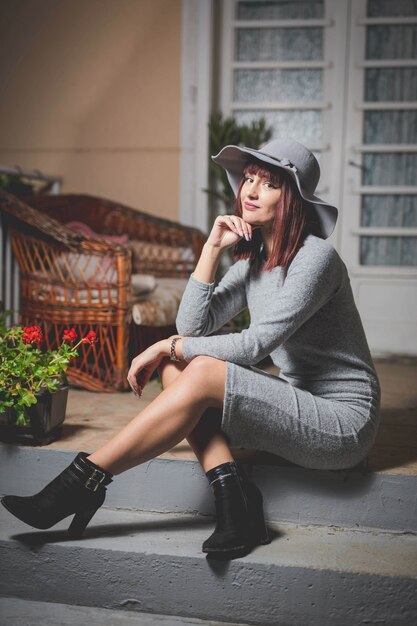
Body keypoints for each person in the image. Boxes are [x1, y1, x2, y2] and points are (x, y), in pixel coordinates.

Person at [1, 137, 381, 559]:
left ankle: (84, 479)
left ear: (292, 198)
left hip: (341, 423)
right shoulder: (253, 262)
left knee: (188, 361)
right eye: (248, 179)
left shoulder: (316, 259)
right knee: (175, 367)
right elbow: (193, 325)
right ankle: (234, 498)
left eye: (268, 184)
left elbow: (256, 345)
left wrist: (169, 343)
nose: (250, 191)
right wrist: (210, 249)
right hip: (295, 404)